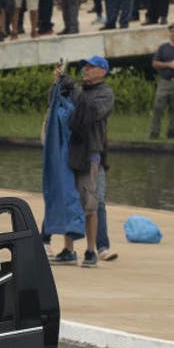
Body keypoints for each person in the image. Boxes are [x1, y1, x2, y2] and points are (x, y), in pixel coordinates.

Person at [51, 55, 114, 267]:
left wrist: (73, 88)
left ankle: (91, 250)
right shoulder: (77, 89)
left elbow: (89, 112)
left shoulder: (105, 93)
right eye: (84, 67)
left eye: (91, 67)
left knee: (90, 205)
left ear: (103, 71)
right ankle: (68, 250)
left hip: (89, 154)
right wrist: (58, 83)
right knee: (68, 200)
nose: (86, 70)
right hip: (67, 152)